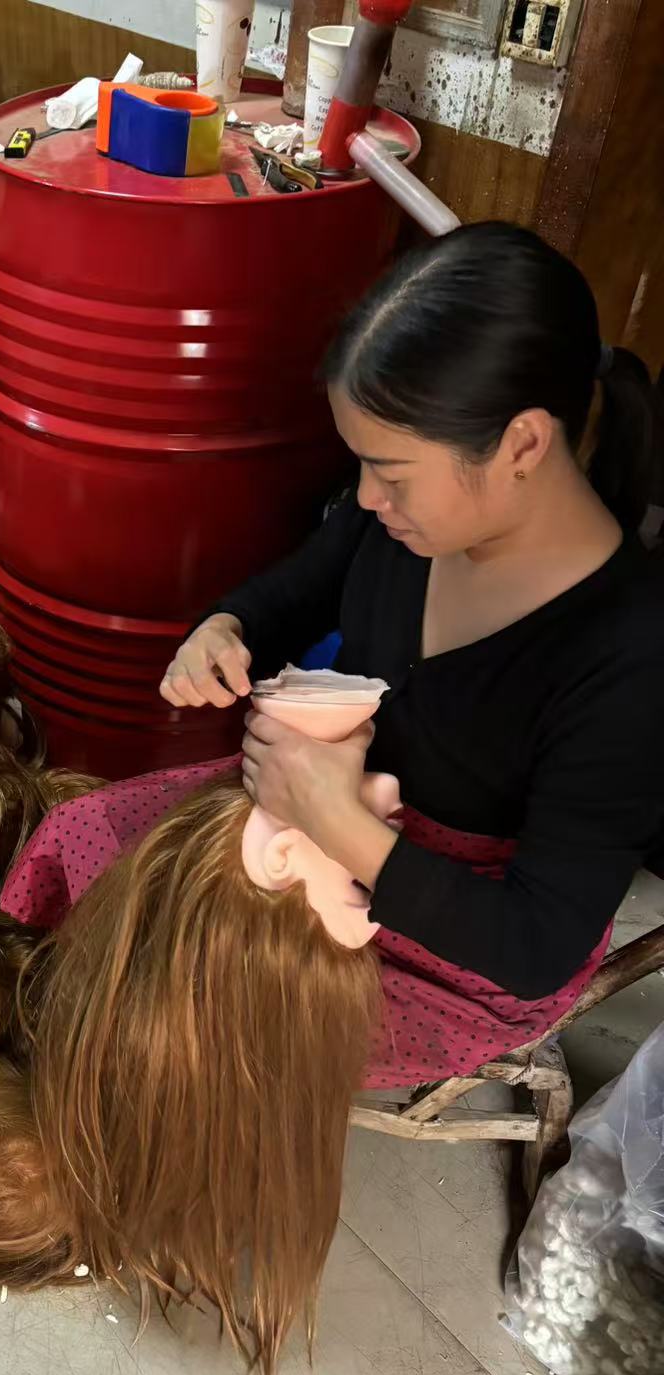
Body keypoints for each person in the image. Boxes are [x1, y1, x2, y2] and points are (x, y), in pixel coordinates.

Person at [159, 221, 664, 1084]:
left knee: (183, 1013)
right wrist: (224, 628)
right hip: (329, 816)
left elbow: (535, 944)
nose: (364, 497)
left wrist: (340, 828)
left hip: (460, 943)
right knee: (99, 860)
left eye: (391, 473)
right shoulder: (402, 523)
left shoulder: (629, 656)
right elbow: (294, 593)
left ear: (522, 444)